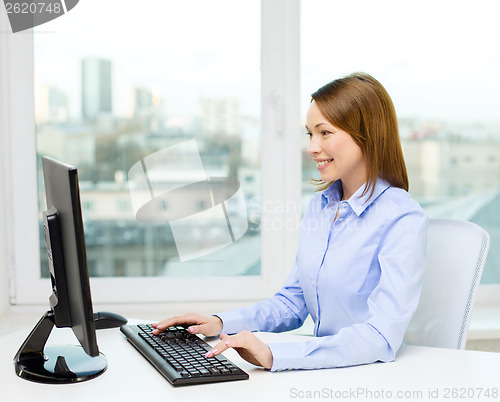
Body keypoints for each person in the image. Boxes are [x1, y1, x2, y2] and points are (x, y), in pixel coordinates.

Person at [152, 72, 428, 372]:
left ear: (367, 135)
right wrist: (219, 323)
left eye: (325, 133)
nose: (311, 147)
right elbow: (294, 303)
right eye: (310, 134)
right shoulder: (320, 208)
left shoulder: (402, 219)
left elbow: (380, 337)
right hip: (321, 370)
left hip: (368, 374)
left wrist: (276, 356)